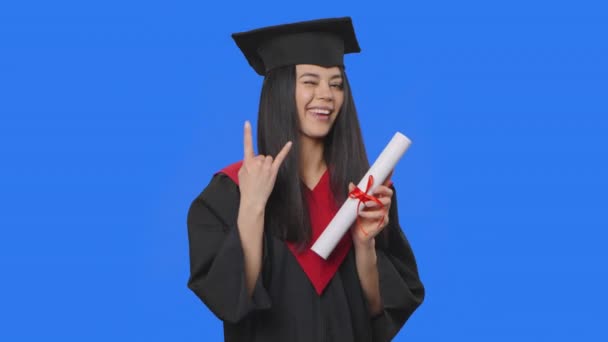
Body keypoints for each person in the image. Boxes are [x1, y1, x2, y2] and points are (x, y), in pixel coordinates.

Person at [187, 17, 424, 342]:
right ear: (281, 91)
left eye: (336, 84)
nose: (326, 95)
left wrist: (364, 243)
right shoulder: (231, 190)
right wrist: (253, 207)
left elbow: (376, 312)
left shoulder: (365, 193)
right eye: (310, 82)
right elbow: (231, 302)